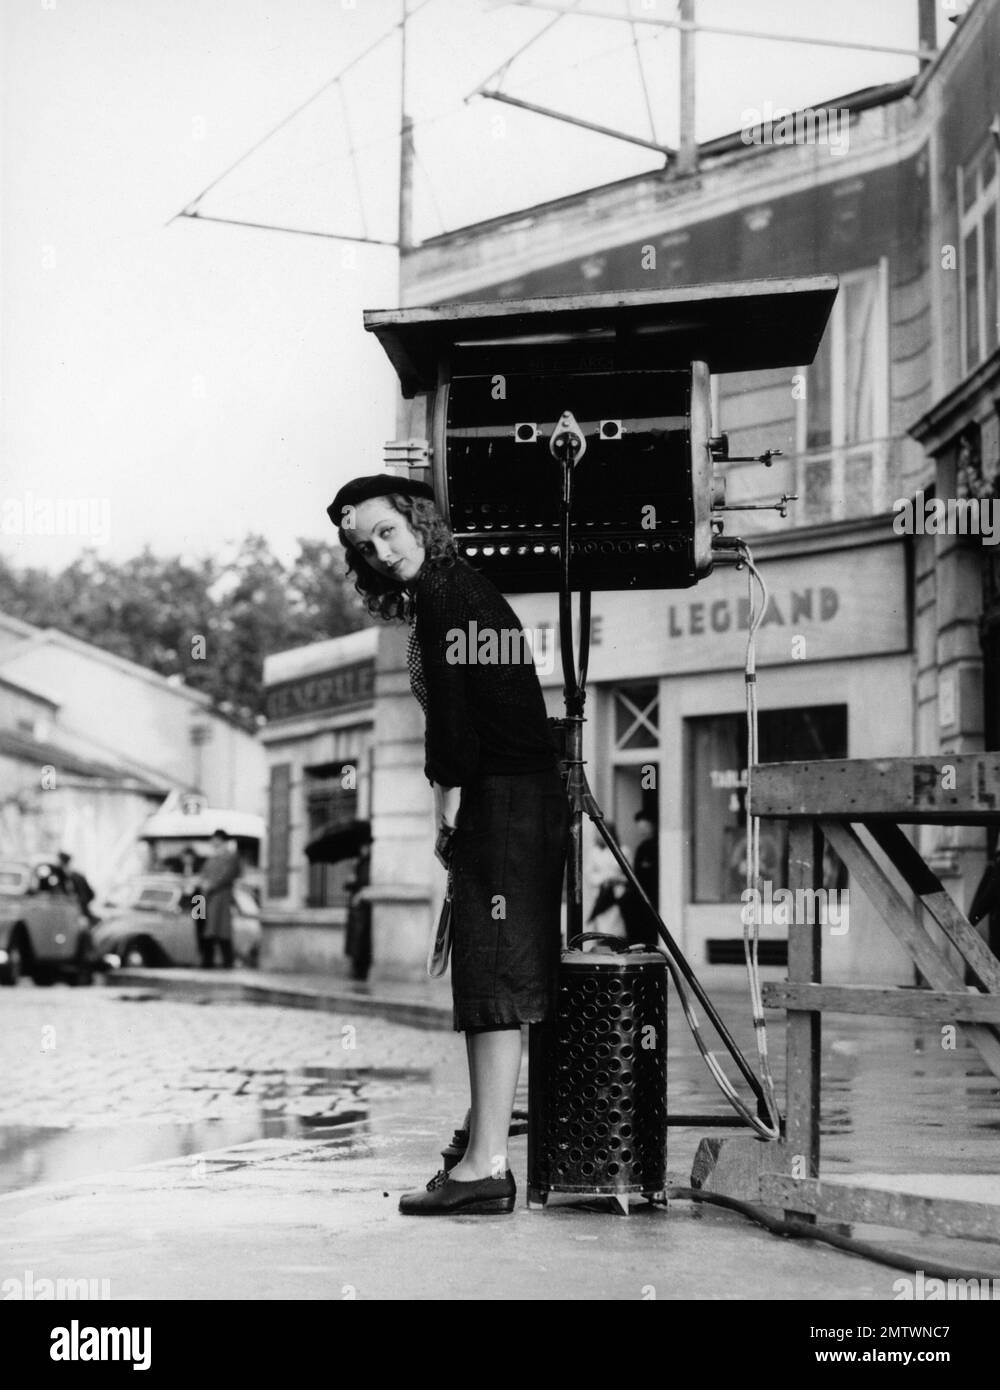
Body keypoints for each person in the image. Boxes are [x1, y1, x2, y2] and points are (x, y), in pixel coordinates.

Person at [329, 473, 569, 1216]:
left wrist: (448, 810)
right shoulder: (466, 584)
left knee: (491, 981)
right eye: (363, 544)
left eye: (386, 531)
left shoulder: (441, 593)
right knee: (501, 976)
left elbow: (456, 727)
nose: (377, 551)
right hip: (525, 799)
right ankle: (483, 1145)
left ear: (418, 521)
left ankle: (485, 1166)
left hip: (499, 798)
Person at [197, 830, 241, 969]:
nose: (212, 842)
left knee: (220, 929)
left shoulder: (230, 856)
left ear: (220, 840)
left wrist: (211, 885)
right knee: (205, 929)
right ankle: (206, 960)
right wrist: (203, 884)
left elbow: (227, 875)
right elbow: (203, 874)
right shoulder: (212, 858)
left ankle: (226, 961)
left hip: (220, 896)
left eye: (214, 839)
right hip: (204, 898)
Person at [584, 824, 629, 941]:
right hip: (601, 893)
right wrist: (604, 879)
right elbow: (589, 874)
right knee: (601, 929)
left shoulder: (623, 850)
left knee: (617, 930)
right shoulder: (594, 852)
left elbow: (628, 875)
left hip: (618, 895)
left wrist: (616, 879)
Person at [344, 842, 372, 982]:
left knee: (360, 941)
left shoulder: (369, 863)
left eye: (365, 846)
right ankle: (355, 969)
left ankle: (360, 971)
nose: (363, 848)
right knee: (354, 940)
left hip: (363, 909)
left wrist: (360, 895)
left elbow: (367, 883)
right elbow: (349, 885)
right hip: (355, 909)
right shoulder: (358, 863)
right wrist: (351, 874)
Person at [57, 851, 98, 925]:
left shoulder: (73, 877)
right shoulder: (73, 876)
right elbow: (90, 895)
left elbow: (86, 896)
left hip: (78, 914)